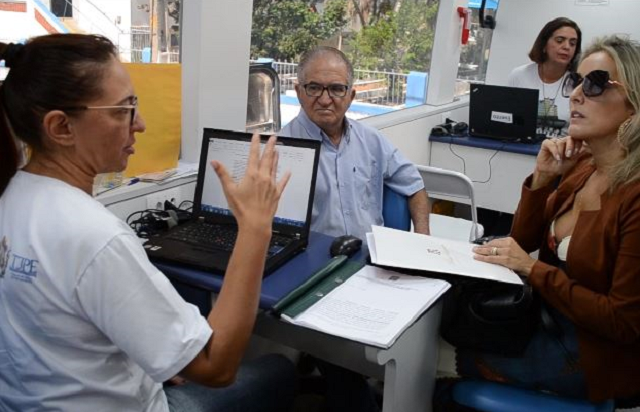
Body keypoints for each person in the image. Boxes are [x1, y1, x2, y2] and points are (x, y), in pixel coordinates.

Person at [0, 34, 296, 412]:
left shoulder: (12, 197)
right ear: (61, 127)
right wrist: (255, 228)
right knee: (280, 370)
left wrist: (149, 353)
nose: (139, 123)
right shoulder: (96, 238)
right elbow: (215, 365)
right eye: (123, 109)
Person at [462, 35, 640, 404]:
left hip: (596, 354)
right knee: (445, 321)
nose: (575, 95)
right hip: (547, 318)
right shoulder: (585, 167)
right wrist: (543, 180)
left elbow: (624, 322)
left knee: (452, 355)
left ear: (634, 104)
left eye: (595, 84)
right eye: (577, 82)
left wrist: (532, 269)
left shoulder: (634, 196)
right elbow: (523, 241)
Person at [279, 46, 430, 241]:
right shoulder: (281, 149)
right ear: (299, 92)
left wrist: (423, 239)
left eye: (336, 89)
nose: (325, 100)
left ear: (351, 96)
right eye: (314, 88)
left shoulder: (371, 140)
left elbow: (414, 185)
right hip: (314, 261)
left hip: (373, 257)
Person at [508, 17, 582, 137]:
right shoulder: (519, 75)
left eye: (572, 43)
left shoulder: (579, 83)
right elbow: (507, 120)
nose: (567, 47)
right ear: (544, 44)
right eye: (559, 40)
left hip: (561, 152)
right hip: (521, 149)